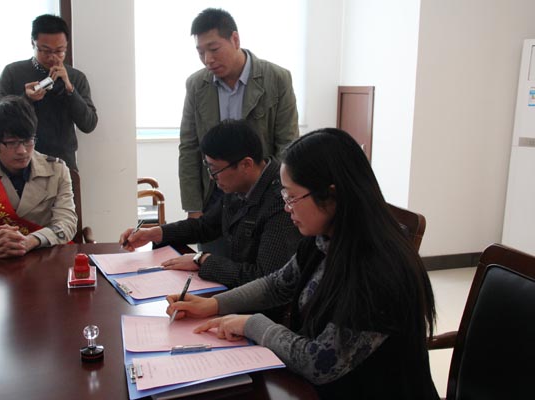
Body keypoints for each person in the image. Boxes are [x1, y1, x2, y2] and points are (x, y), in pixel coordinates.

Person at [166, 128, 440, 399]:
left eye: (292, 196)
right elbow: (277, 284)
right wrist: (214, 304)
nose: (287, 207)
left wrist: (252, 324)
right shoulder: (324, 238)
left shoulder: (377, 270)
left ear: (330, 195)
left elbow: (319, 363)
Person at [120, 120, 301, 289]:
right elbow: (205, 226)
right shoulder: (238, 185)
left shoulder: (281, 202)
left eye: (214, 170)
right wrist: (154, 233)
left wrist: (202, 260)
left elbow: (265, 279)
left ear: (246, 164)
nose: (212, 178)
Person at [179, 8, 299, 243]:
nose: (208, 59)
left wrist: (278, 197)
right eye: (201, 52)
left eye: (214, 49)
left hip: (263, 194)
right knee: (212, 261)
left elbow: (287, 144)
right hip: (215, 194)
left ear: (235, 39)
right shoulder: (196, 84)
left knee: (258, 261)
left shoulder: (276, 78)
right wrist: (193, 208)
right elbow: (189, 148)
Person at [0, 95, 78, 258]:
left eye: (28, 140)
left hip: (45, 255)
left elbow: (66, 223)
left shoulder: (57, 170)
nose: (22, 151)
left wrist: (30, 241)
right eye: (12, 143)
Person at [0, 14, 97, 170]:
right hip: (20, 163)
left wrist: (70, 89)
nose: (53, 57)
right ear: (33, 43)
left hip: (62, 164)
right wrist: (26, 99)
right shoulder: (13, 72)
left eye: (60, 51)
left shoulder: (76, 77)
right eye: (46, 51)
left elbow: (88, 124)